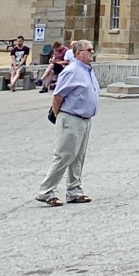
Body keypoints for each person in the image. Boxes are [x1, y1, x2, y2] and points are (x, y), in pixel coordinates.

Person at [36, 39, 98, 207]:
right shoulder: (71, 71)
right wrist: (60, 118)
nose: (92, 52)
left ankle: (74, 190)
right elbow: (58, 97)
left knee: (78, 156)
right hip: (71, 117)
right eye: (89, 50)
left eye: (92, 49)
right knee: (64, 155)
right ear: (78, 53)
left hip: (85, 119)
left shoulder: (88, 70)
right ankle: (46, 191)